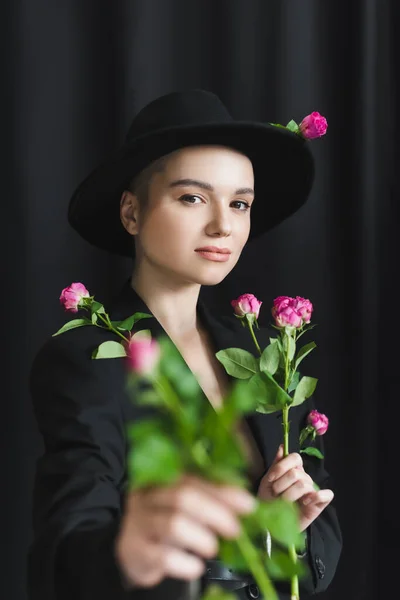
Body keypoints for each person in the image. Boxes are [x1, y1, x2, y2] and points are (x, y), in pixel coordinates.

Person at [28, 89, 342, 600]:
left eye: (239, 203)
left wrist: (282, 528)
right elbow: (65, 546)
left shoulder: (267, 352)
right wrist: (127, 552)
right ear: (132, 213)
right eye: (192, 197)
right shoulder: (87, 359)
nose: (223, 225)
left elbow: (321, 529)